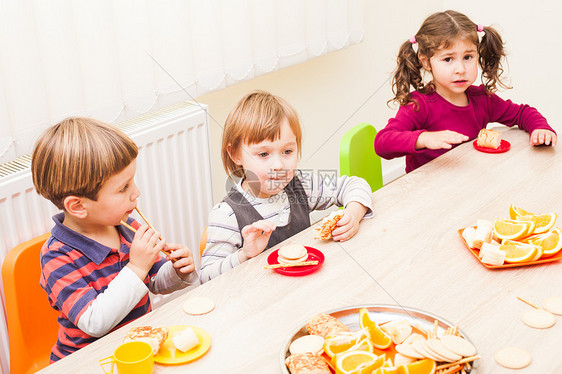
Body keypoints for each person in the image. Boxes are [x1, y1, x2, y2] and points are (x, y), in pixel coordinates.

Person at [31, 117, 199, 362]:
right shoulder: (57, 257)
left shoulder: (127, 226)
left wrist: (178, 272)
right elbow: (94, 322)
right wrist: (137, 266)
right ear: (77, 206)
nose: (137, 192)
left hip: (137, 351)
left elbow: (154, 282)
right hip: (87, 362)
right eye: (123, 188)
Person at [200, 91, 374, 283]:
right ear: (235, 154)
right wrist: (244, 255)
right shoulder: (227, 215)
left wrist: (354, 213)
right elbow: (206, 278)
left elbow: (354, 184)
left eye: (287, 151)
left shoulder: (301, 187)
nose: (278, 165)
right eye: (264, 154)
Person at [374, 10, 557, 173]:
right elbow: (382, 143)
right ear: (426, 62)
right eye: (448, 59)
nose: (460, 69)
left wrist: (540, 128)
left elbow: (522, 113)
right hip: (427, 194)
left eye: (468, 57)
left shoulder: (482, 99)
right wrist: (423, 138)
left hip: (469, 183)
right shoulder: (418, 105)